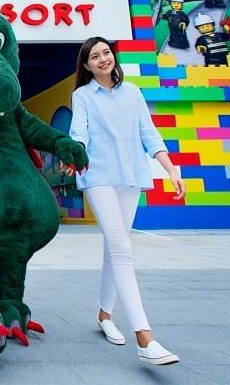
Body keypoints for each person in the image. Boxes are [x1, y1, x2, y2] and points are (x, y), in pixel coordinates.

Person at [68, 37, 186, 366]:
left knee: (114, 247)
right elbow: (79, 133)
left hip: (131, 176)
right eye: (95, 56)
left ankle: (104, 314)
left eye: (106, 52)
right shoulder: (83, 96)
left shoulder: (132, 92)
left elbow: (149, 134)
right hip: (98, 176)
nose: (103, 59)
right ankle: (144, 338)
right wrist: (73, 154)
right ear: (87, 65)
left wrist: (171, 170)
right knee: (121, 249)